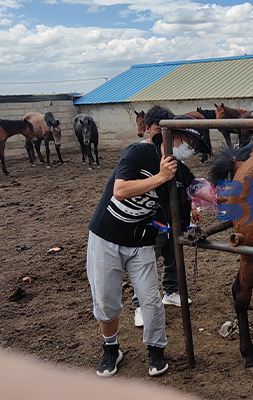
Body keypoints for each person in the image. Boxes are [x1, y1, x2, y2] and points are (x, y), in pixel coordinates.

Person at [87, 105, 210, 378]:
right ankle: (111, 348)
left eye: (192, 145)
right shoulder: (138, 153)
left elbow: (199, 189)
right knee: (107, 302)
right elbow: (120, 190)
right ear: (166, 135)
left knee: (151, 299)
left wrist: (241, 197)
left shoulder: (178, 169)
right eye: (186, 141)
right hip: (106, 237)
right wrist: (160, 178)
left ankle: (156, 348)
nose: (189, 148)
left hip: (141, 240)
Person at [132, 109, 203, 327]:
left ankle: (171, 292)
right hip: (152, 223)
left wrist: (193, 207)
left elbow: (189, 185)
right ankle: (140, 305)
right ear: (149, 130)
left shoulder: (176, 161)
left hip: (175, 222)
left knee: (173, 257)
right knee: (146, 264)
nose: (167, 137)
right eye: (159, 131)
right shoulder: (143, 156)